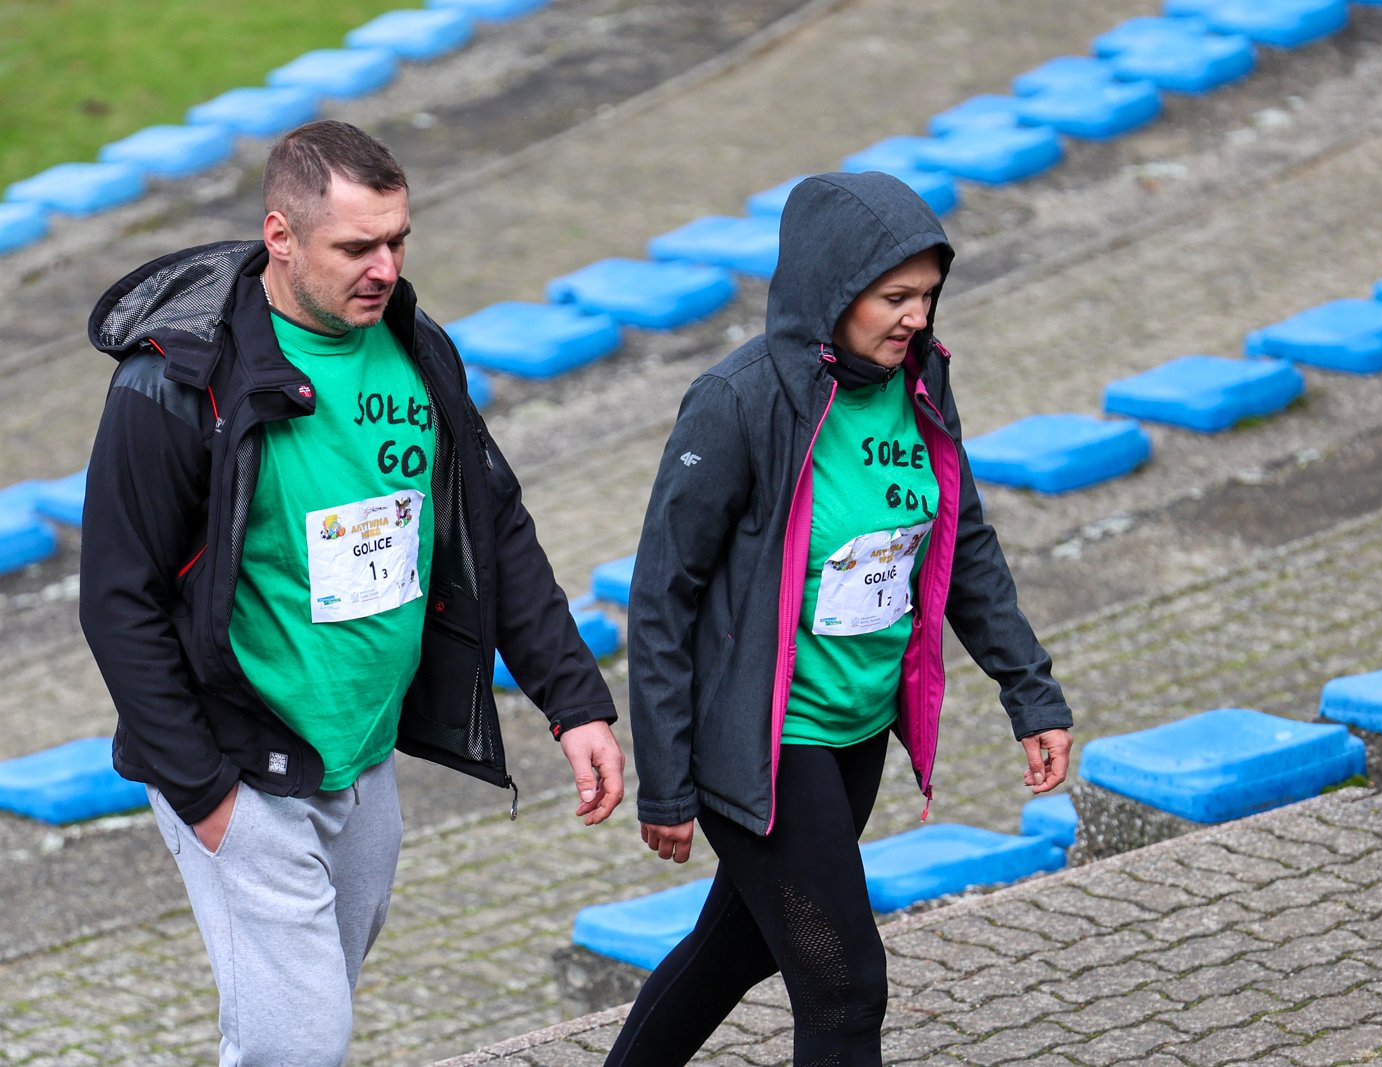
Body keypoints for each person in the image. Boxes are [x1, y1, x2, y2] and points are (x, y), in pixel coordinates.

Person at [78, 120, 624, 1067]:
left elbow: (491, 526)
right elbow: (117, 600)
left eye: (398, 241)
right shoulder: (176, 381)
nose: (386, 269)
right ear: (280, 237)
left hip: (366, 761)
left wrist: (573, 700)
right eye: (357, 246)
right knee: (301, 1041)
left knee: (301, 1017)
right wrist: (206, 794)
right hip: (242, 766)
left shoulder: (416, 347)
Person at [612, 170, 1074, 1066]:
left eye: (927, 296)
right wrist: (666, 778)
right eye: (894, 297)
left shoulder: (921, 381)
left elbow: (964, 543)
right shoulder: (740, 401)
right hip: (765, 740)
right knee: (844, 985)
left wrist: (1032, 692)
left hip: (856, 729)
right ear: (834, 289)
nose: (915, 318)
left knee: (735, 947)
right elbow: (663, 594)